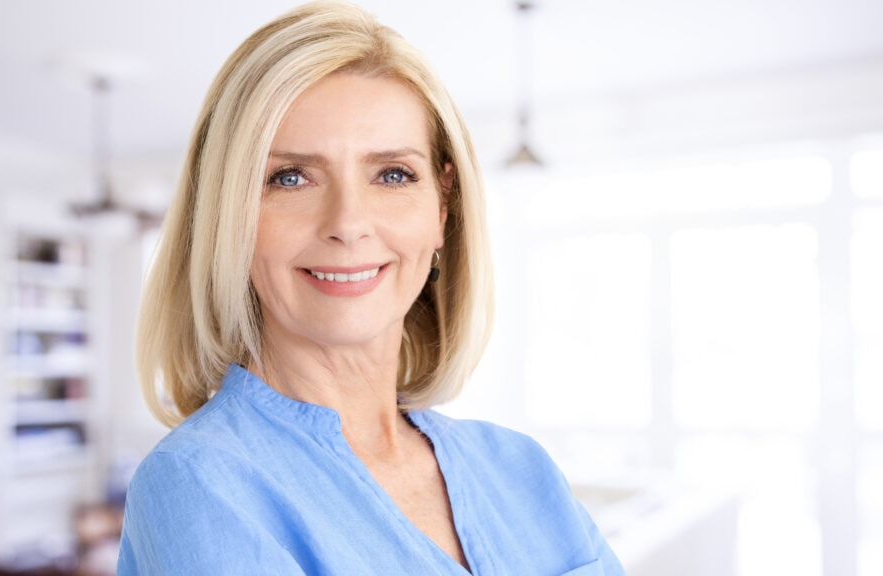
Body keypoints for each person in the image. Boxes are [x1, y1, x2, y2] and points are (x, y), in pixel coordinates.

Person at [117, 2, 624, 574]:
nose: (349, 222)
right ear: (225, 217)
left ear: (442, 206)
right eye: (290, 177)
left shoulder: (520, 467)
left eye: (393, 174)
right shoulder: (201, 482)